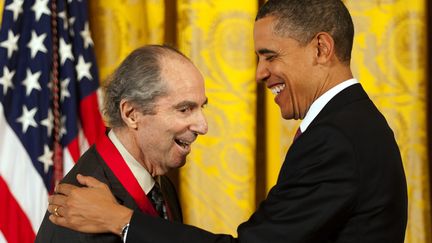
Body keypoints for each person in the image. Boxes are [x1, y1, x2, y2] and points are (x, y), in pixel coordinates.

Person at [47, 0, 408, 242]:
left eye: (270, 56)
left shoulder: (337, 138)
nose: (259, 73)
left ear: (321, 48)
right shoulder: (81, 200)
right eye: (184, 109)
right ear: (131, 113)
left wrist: (121, 221)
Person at [35, 45, 208, 242]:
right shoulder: (82, 209)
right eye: (184, 109)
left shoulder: (162, 187)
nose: (203, 126)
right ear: (131, 114)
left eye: (202, 107)